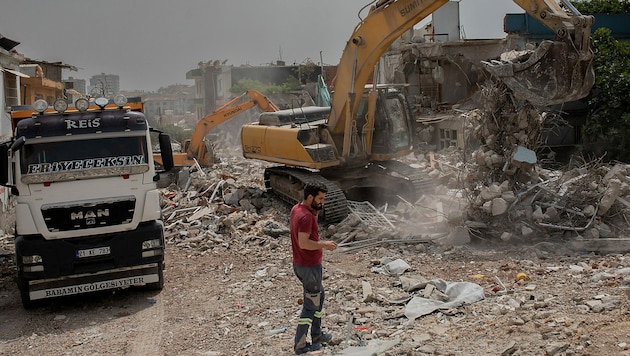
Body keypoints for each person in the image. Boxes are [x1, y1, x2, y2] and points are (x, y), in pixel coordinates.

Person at [290, 181, 338, 355]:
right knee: (310, 306)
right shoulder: (306, 217)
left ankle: (317, 335)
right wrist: (324, 244)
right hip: (308, 266)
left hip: (305, 265)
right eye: (320, 198)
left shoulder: (298, 209)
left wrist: (315, 210)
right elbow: (304, 243)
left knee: (319, 296)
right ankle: (300, 345)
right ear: (310, 197)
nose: (322, 202)